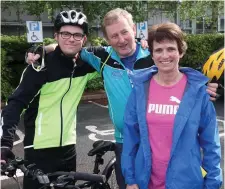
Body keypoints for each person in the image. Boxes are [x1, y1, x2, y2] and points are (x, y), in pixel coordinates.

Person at [26, 8, 219, 189]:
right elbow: (71, 46)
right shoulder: (102, 57)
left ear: (133, 29)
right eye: (114, 36)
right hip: (124, 141)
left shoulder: (152, 53)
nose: (121, 40)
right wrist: (44, 49)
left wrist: (200, 84)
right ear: (107, 39)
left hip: (154, 140)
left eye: (124, 32)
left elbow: (173, 64)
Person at [0, 10, 98, 189]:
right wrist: (5, 143)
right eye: (65, 33)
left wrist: (143, 46)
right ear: (56, 35)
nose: (71, 39)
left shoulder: (87, 64)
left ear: (84, 39)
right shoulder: (40, 67)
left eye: (77, 35)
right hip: (38, 149)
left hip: (69, 147)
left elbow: (117, 54)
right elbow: (14, 105)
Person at [121, 22, 222, 189]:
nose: (164, 55)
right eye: (158, 50)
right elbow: (130, 138)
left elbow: (211, 144)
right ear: (152, 55)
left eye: (171, 49)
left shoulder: (198, 92)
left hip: (187, 182)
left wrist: (213, 182)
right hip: (146, 181)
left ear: (180, 52)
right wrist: (130, 179)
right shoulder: (140, 90)